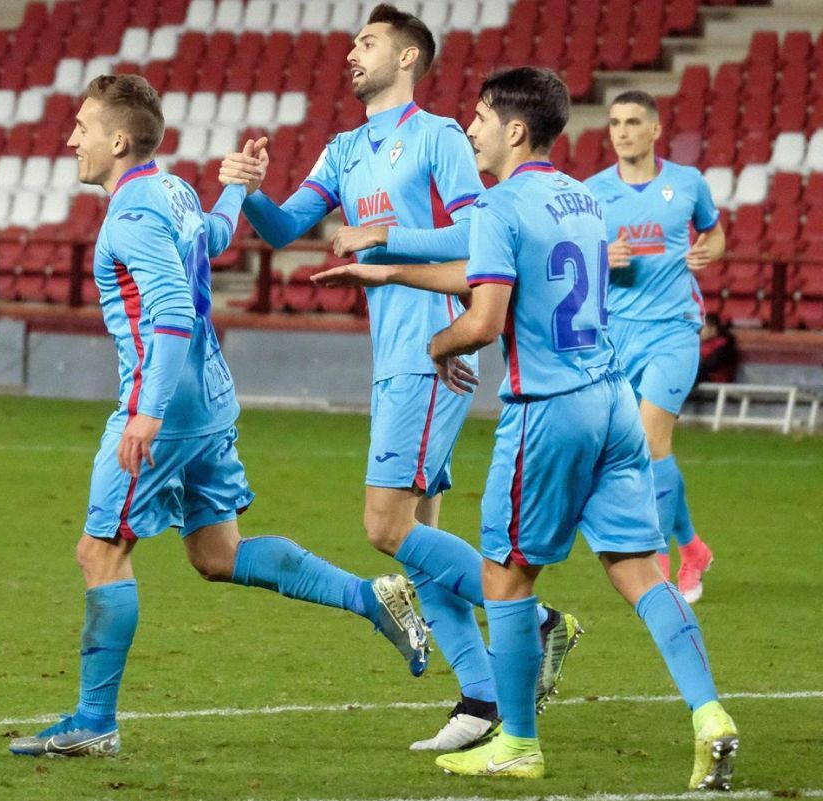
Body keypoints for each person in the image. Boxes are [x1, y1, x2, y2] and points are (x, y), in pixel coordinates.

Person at [313, 66, 738, 789]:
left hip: (547, 408)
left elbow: (485, 316)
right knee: (639, 571)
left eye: (479, 117)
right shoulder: (584, 197)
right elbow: (504, 273)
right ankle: (710, 714)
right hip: (612, 402)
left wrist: (435, 347)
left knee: (506, 582)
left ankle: (517, 741)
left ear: (513, 128)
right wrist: (388, 274)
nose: (471, 128)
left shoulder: (502, 204)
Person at [7, 74, 434, 758]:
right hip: (210, 400)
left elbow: (173, 311)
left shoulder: (132, 215)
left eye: (82, 126)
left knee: (100, 550)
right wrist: (238, 186)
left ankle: (94, 720)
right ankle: (370, 597)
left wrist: (145, 414)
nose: (71, 138)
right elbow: (211, 234)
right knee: (216, 552)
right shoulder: (172, 190)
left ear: (118, 140)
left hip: (166, 406)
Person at [219, 3, 581, 751]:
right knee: (418, 540)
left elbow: (482, 229)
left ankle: (536, 618)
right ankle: (481, 701)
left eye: (369, 42)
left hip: (434, 348)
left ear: (410, 56)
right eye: (353, 41)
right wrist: (249, 187)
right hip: (394, 354)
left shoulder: (441, 137)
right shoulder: (345, 148)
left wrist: (386, 237)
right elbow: (288, 228)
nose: (352, 53)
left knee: (385, 527)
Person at [584, 90, 727, 603]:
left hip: (674, 329)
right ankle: (693, 548)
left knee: (650, 442)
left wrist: (707, 253)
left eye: (632, 122)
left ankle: (660, 565)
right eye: (615, 122)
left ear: (655, 130)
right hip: (618, 333)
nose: (621, 131)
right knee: (641, 447)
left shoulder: (687, 184)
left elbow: (714, 233)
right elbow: (576, 257)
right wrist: (603, 257)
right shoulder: (593, 192)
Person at [697, 313, 738, 384]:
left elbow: (711, 365)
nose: (698, 331)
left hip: (715, 380)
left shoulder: (725, 345)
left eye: (702, 328)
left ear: (713, 329)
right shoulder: (698, 344)